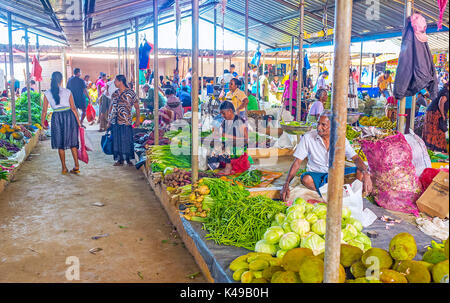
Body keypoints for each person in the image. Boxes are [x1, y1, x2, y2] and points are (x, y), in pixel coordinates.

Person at [281, 111, 373, 201]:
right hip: (317, 175)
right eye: (318, 124)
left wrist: (366, 173)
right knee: (306, 179)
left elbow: (356, 158)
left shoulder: (340, 139)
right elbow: (297, 162)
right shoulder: (308, 137)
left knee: (360, 173)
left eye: (323, 125)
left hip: (336, 174)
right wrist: (286, 183)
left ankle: (328, 191)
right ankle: (333, 193)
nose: (318, 127)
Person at [40, 71, 81, 175]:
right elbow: (73, 108)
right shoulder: (68, 91)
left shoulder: (47, 93)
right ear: (62, 80)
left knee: (60, 143)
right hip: (69, 117)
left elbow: (44, 110)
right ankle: (76, 165)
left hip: (57, 117)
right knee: (72, 141)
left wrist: (42, 123)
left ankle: (64, 168)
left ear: (52, 80)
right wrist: (79, 122)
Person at [107, 75, 140, 167]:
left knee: (127, 140)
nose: (114, 83)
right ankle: (119, 160)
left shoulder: (131, 93)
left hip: (126, 121)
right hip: (115, 121)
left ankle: (128, 159)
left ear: (120, 81)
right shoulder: (115, 93)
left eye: (115, 81)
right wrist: (109, 120)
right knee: (117, 140)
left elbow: (137, 108)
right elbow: (111, 107)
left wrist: (137, 120)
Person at [213, 101, 249, 176]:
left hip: (238, 150)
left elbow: (246, 139)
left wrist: (228, 136)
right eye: (221, 114)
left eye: (223, 113)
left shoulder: (239, 121)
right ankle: (225, 165)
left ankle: (228, 166)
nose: (222, 115)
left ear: (230, 111)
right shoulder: (224, 122)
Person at [422, 83, 449, 153]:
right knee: (435, 131)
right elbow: (441, 102)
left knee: (435, 131)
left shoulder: (444, 90)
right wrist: (443, 115)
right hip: (434, 113)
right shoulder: (446, 92)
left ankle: (433, 150)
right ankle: (435, 150)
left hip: (432, 112)